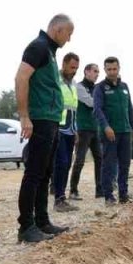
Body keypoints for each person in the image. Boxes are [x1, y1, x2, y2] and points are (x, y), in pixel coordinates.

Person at [15, 14, 73, 244]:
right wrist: (24, 117)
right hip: (39, 119)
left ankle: (42, 221)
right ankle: (26, 226)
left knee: (45, 173)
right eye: (68, 34)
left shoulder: (49, 52)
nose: (68, 39)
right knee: (34, 174)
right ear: (57, 29)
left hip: (51, 120)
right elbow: (20, 78)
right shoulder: (38, 47)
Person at [92, 56, 133, 205]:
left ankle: (123, 195)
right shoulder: (100, 88)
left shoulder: (124, 87)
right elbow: (97, 110)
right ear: (105, 70)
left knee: (125, 164)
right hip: (110, 133)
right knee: (109, 165)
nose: (112, 72)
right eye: (109, 69)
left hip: (125, 132)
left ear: (119, 68)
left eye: (114, 69)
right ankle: (108, 197)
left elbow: (129, 108)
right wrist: (106, 127)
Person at [70, 63, 104, 200]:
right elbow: (91, 103)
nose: (97, 74)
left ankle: (99, 190)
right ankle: (73, 191)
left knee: (100, 159)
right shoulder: (79, 87)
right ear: (86, 72)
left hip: (95, 129)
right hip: (83, 129)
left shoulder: (96, 88)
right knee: (80, 160)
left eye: (98, 72)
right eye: (95, 71)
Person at [53, 53, 81, 213]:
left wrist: (75, 129)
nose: (74, 70)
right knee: (61, 163)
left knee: (66, 164)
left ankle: (61, 197)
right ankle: (58, 199)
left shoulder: (73, 84)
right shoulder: (56, 80)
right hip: (58, 129)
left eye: (76, 68)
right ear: (64, 64)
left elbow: (73, 109)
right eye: (72, 67)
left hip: (70, 130)